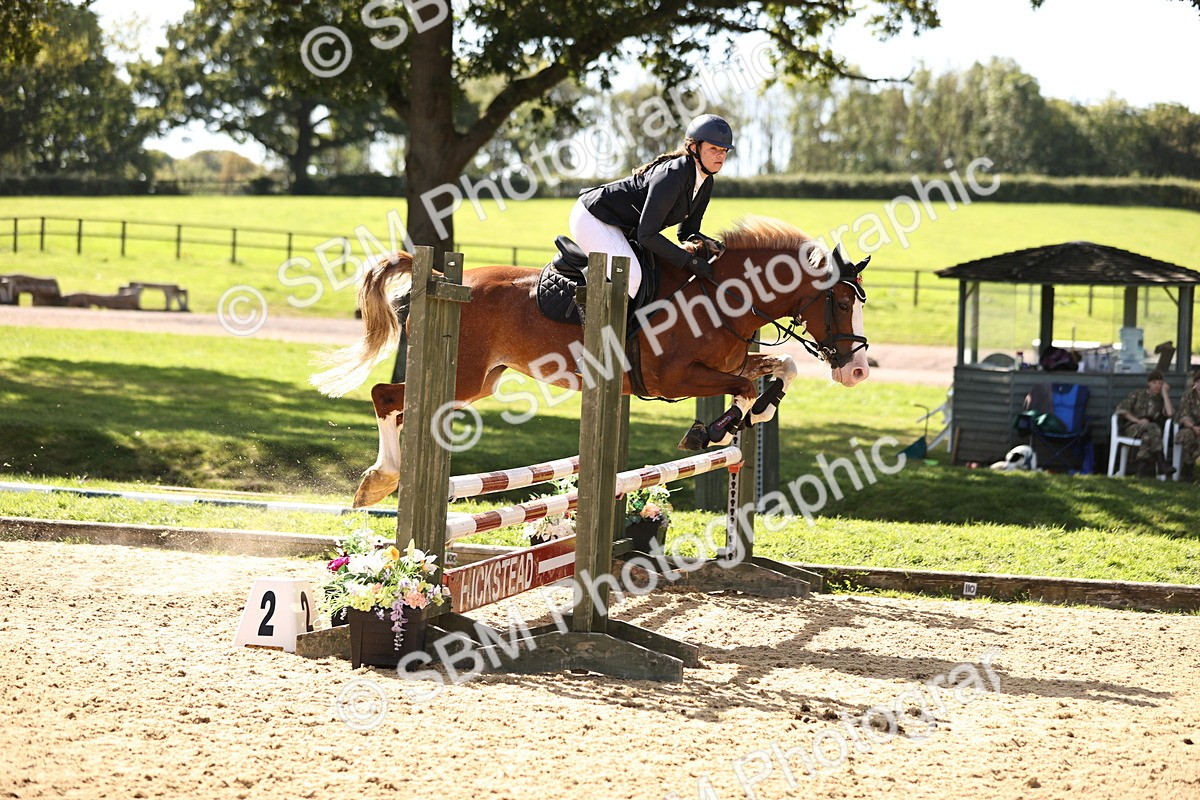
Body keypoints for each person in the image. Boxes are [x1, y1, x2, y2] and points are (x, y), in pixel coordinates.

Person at [569, 114, 733, 299]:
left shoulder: (706, 182)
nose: (720, 155)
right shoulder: (673, 175)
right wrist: (690, 261)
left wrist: (715, 248)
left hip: (620, 225)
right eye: (713, 148)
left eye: (724, 150)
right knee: (631, 278)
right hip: (593, 217)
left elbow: (687, 232)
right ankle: (599, 326)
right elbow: (646, 235)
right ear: (694, 147)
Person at [1116, 369, 1176, 477]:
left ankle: (1141, 472)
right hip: (1133, 427)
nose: (1157, 386)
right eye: (1154, 383)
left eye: (1160, 383)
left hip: (1150, 431)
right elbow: (1122, 411)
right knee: (1153, 427)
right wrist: (1138, 421)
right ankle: (1161, 462)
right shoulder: (1137, 394)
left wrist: (1165, 393)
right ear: (1148, 383)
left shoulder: (1161, 399)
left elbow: (1170, 413)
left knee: (1147, 437)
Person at [1172, 368, 1200, 482]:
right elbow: (1184, 416)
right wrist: (1193, 427)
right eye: (1199, 381)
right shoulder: (1188, 396)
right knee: (1188, 436)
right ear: (1195, 383)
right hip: (1190, 427)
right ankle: (1188, 470)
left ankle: (1188, 466)